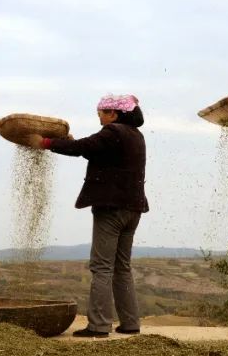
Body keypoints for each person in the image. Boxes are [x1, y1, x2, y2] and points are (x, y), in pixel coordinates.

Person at [29, 95, 149, 338]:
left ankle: (99, 325)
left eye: (102, 114)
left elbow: (82, 148)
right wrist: (68, 143)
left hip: (111, 209)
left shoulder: (113, 131)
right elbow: (94, 151)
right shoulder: (135, 136)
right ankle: (130, 323)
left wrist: (46, 143)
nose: (100, 118)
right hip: (133, 209)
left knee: (102, 267)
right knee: (122, 267)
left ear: (114, 114)